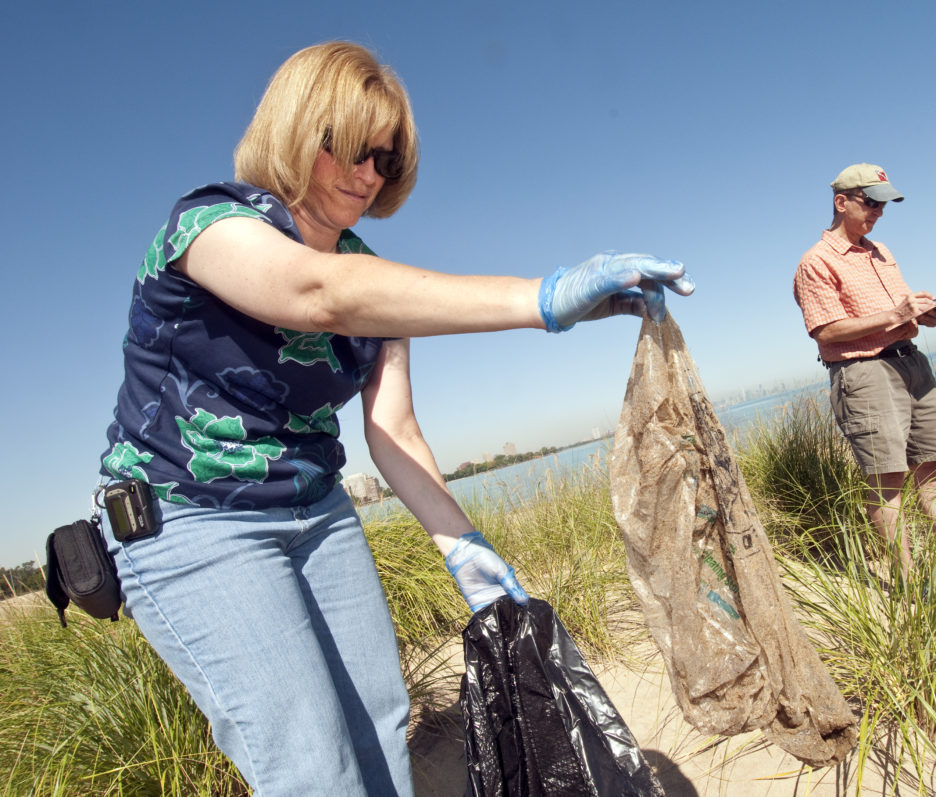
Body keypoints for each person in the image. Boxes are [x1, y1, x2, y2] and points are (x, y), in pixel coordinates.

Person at [96, 41, 693, 797]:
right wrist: (543, 299)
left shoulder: (372, 279)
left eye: (385, 157)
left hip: (316, 511)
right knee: (312, 766)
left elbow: (394, 430)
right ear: (294, 128)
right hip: (191, 521)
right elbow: (317, 293)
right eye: (347, 147)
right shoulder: (212, 226)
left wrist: (466, 549)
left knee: (382, 724)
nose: (367, 174)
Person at [792, 163, 936, 579]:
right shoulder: (815, 263)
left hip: (910, 363)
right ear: (842, 202)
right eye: (870, 203)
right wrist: (894, 314)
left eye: (883, 205)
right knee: (888, 480)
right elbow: (826, 330)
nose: (878, 213)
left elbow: (898, 314)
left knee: (933, 469)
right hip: (865, 373)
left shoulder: (881, 252)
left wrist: (924, 315)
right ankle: (907, 581)